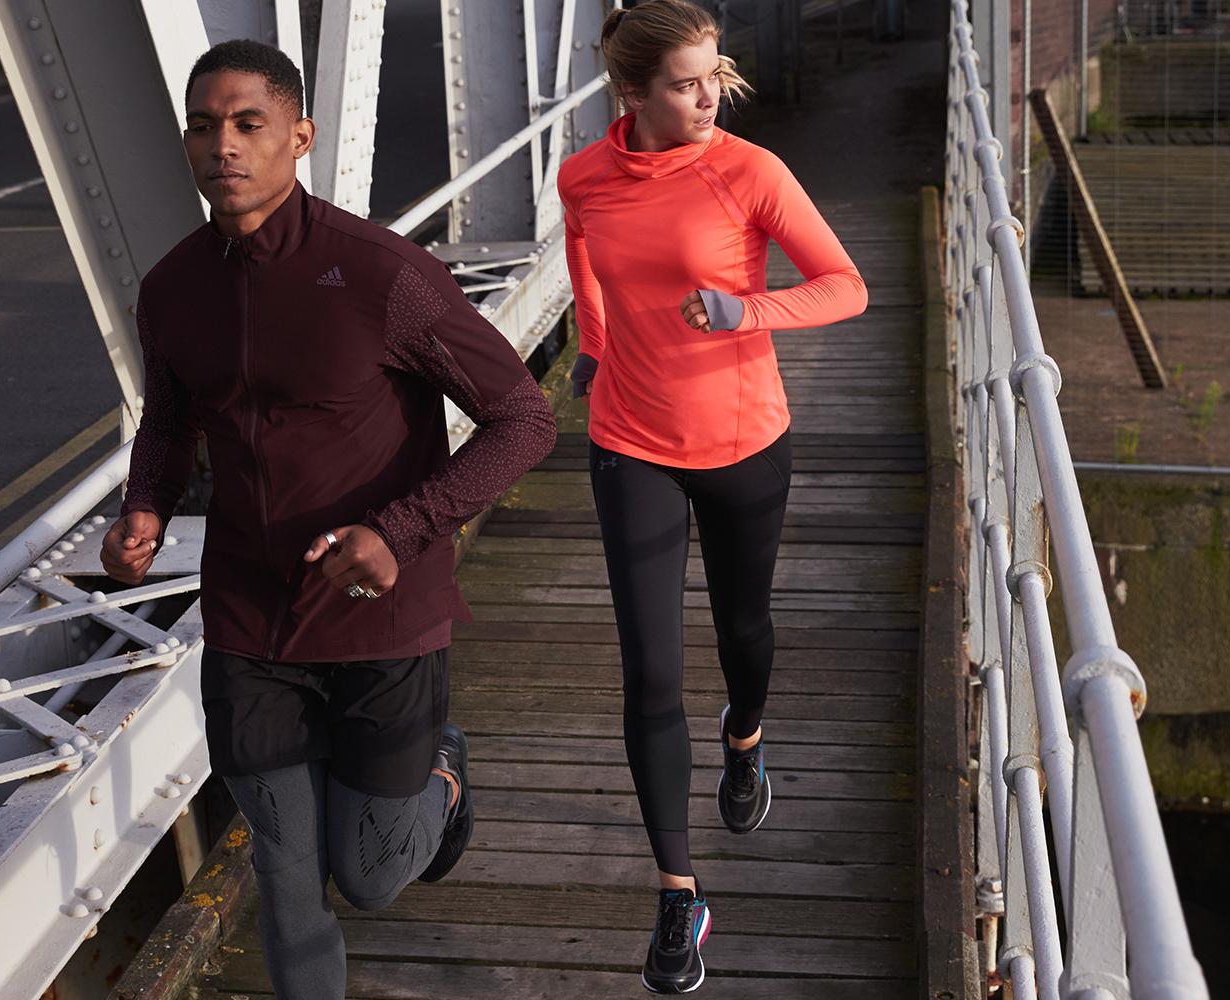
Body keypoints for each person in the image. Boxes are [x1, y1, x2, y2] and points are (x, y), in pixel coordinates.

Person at [100, 39, 558, 1000]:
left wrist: (400, 531)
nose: (223, 145)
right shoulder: (172, 289)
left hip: (380, 616)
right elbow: (171, 423)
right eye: (203, 126)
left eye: (248, 123)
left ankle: (442, 773)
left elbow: (524, 418)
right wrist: (144, 505)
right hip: (249, 622)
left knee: (371, 873)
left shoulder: (382, 275)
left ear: (301, 137)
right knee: (286, 875)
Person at [558, 1, 868, 993]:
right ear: (631, 94)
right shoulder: (583, 175)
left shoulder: (749, 170)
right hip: (628, 442)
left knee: (743, 629)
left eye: (712, 77)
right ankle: (677, 895)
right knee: (650, 670)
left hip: (742, 439)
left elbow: (845, 285)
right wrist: (594, 349)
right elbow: (583, 255)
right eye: (685, 84)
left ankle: (746, 738)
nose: (707, 99)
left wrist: (747, 309)